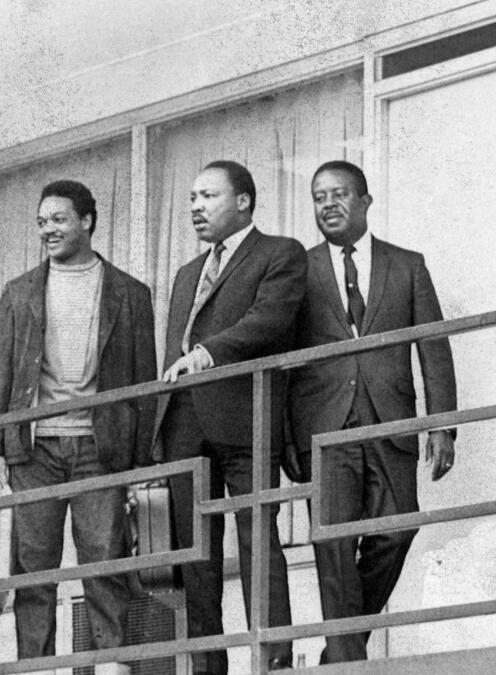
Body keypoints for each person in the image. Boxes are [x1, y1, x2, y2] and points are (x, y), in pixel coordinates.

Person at [0, 180, 157, 669]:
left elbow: (143, 379)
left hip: (101, 448)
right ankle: (36, 667)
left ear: (87, 221)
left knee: (105, 559)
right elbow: (0, 369)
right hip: (33, 451)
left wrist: (142, 460)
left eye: (58, 219)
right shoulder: (18, 292)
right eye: (41, 222)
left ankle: (113, 663)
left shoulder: (130, 292)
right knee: (33, 566)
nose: (48, 230)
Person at [286, 160, 457, 663]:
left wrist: (441, 425)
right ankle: (346, 663)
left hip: (391, 422)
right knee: (333, 546)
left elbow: (433, 347)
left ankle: (341, 651)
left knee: (398, 528)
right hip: (325, 429)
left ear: (365, 202)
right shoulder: (301, 269)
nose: (328, 205)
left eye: (339, 194)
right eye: (319, 197)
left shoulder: (407, 265)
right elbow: (284, 364)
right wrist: (288, 442)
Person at [155, 160, 305, 673]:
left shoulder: (279, 254)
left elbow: (269, 321)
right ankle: (206, 667)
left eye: (208, 196)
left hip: (246, 418)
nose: (196, 207)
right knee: (195, 557)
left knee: (258, 541)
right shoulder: (185, 273)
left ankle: (274, 659)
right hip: (183, 424)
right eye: (192, 197)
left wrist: (207, 353)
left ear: (243, 201)